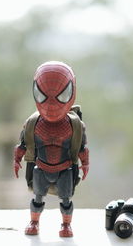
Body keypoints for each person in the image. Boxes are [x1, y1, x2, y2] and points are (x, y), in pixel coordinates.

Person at [13, 61, 90, 237]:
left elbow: (81, 147)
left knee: (65, 201)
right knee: (38, 199)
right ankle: (34, 222)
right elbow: (22, 145)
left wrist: (85, 164)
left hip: (64, 169)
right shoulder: (33, 124)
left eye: (60, 96)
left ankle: (65, 226)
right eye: (44, 96)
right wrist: (17, 160)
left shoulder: (75, 126)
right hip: (41, 168)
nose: (52, 105)